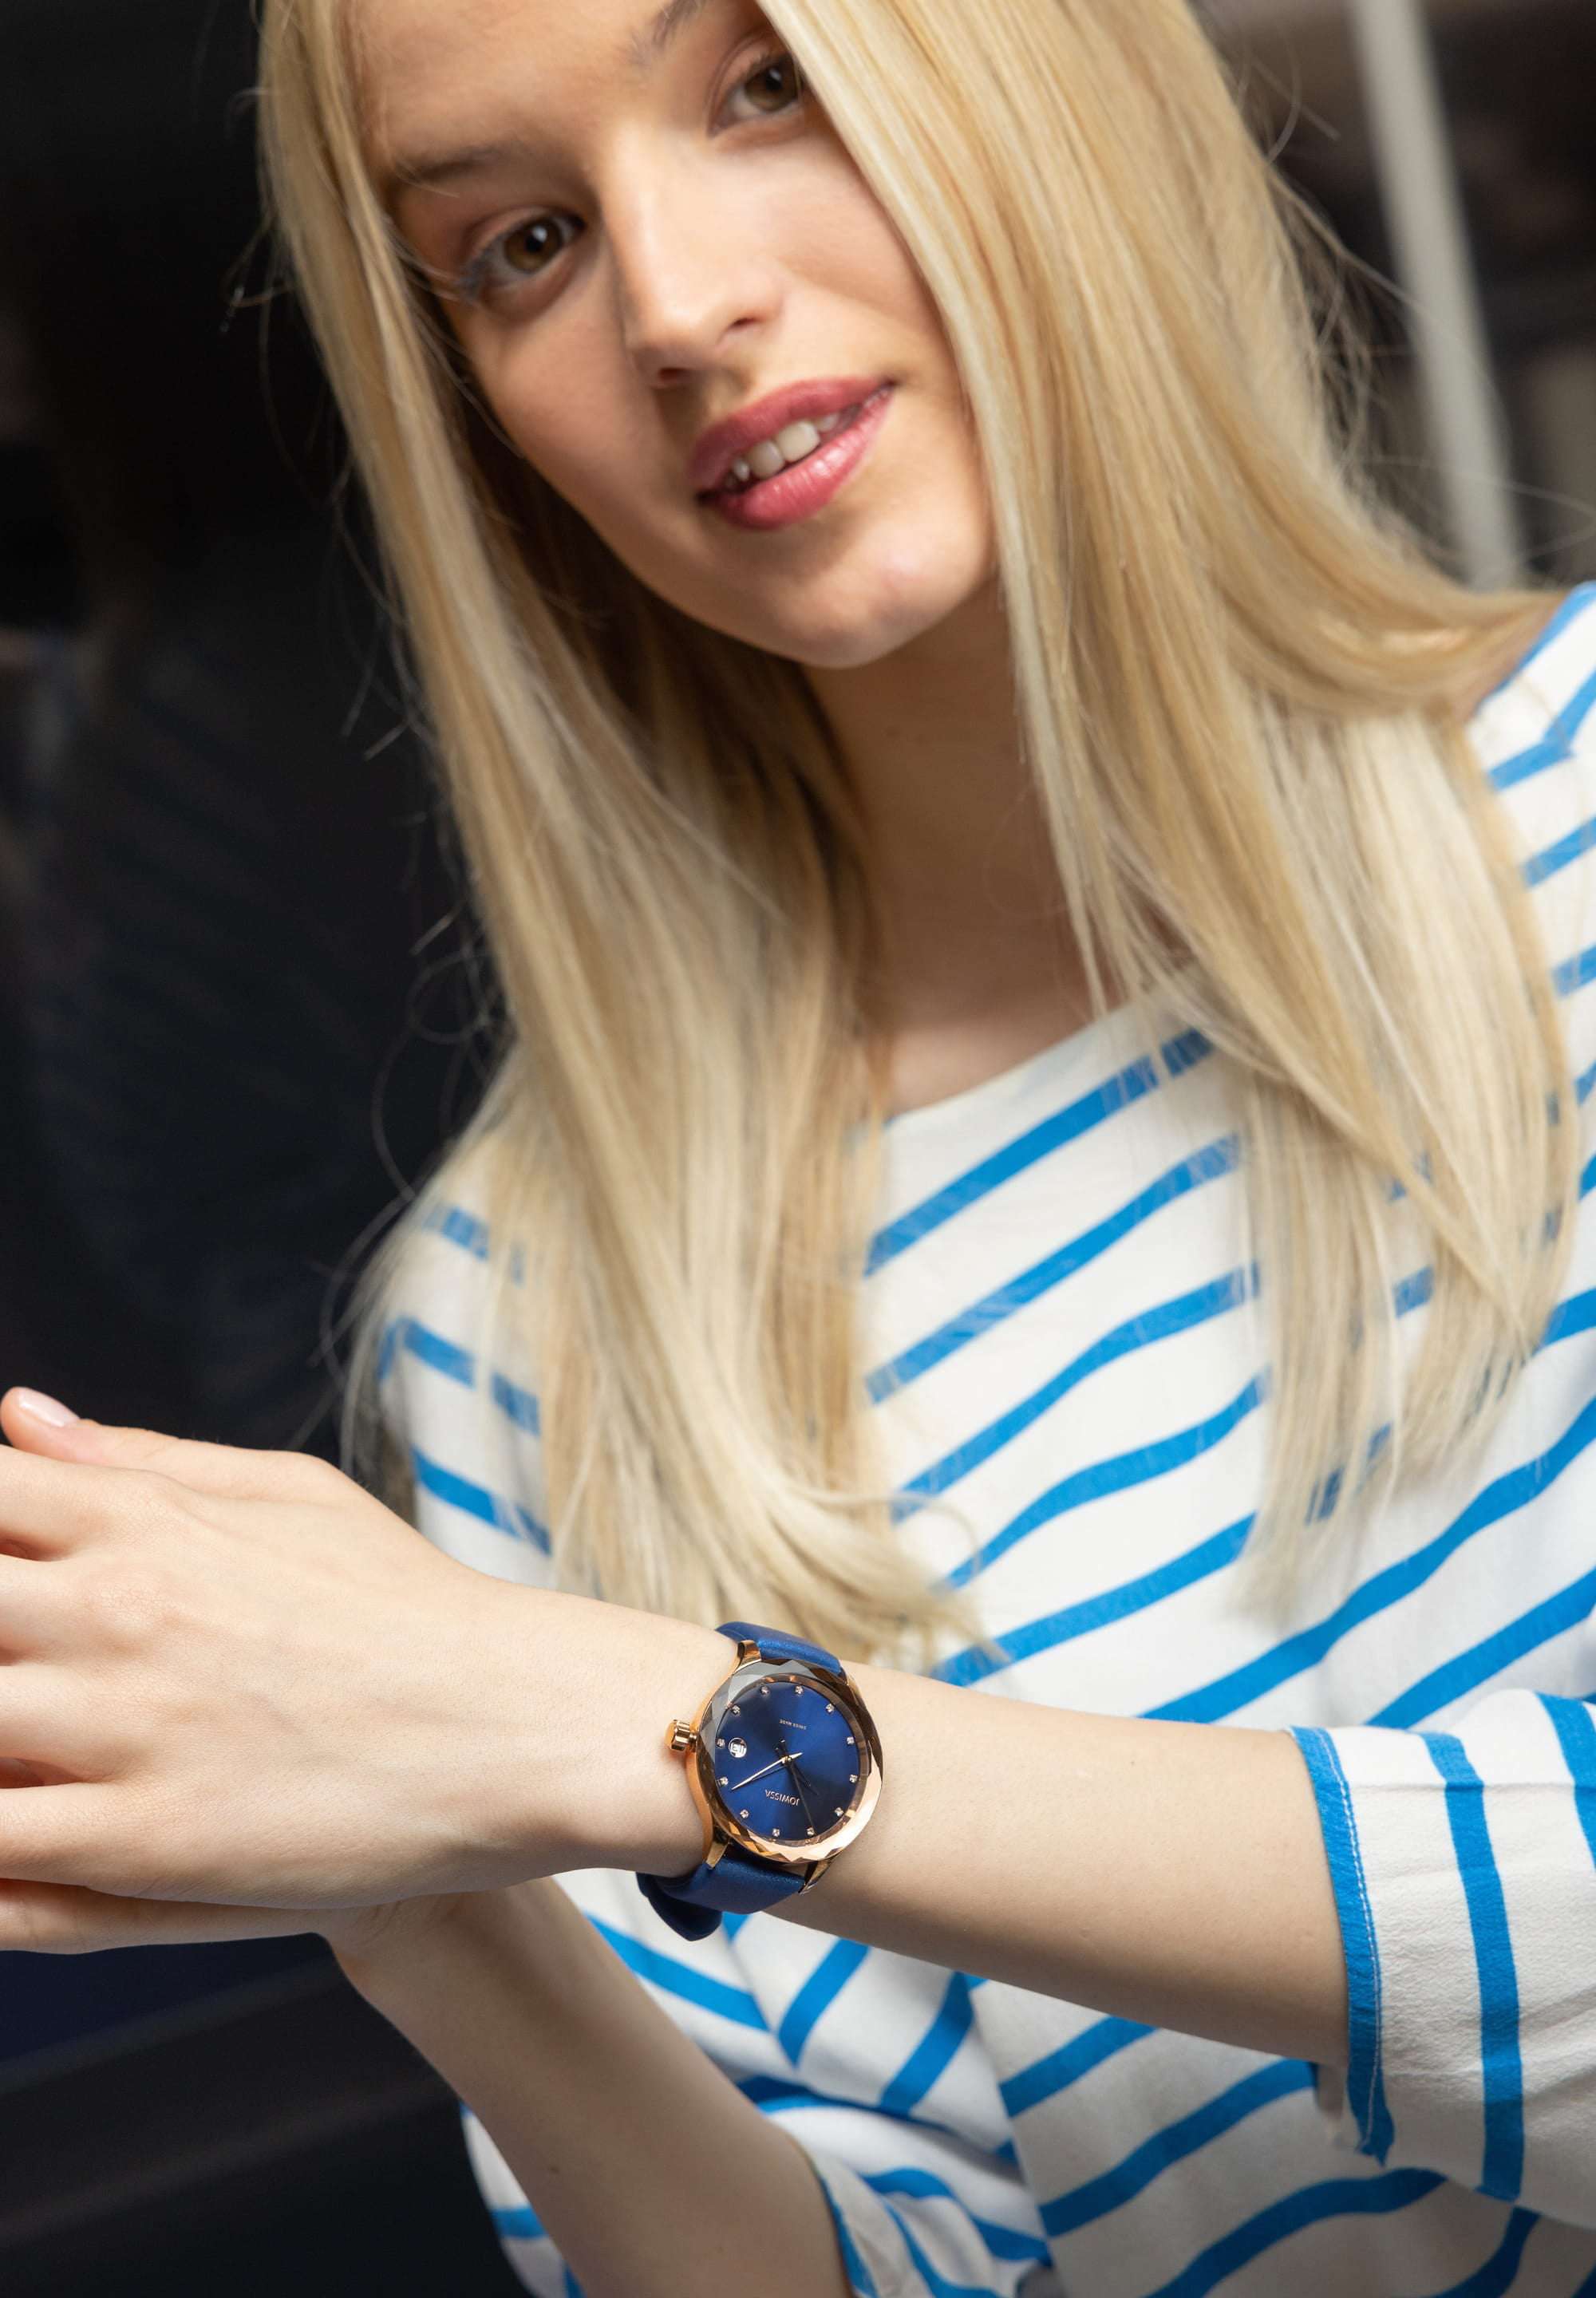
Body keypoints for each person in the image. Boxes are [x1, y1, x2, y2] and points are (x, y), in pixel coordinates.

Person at [0, 2, 1591, 2294]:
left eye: (768, 85)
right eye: (521, 241)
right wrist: (437, 1913)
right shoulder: (534, 1311)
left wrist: (668, 1733)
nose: (675, 302)